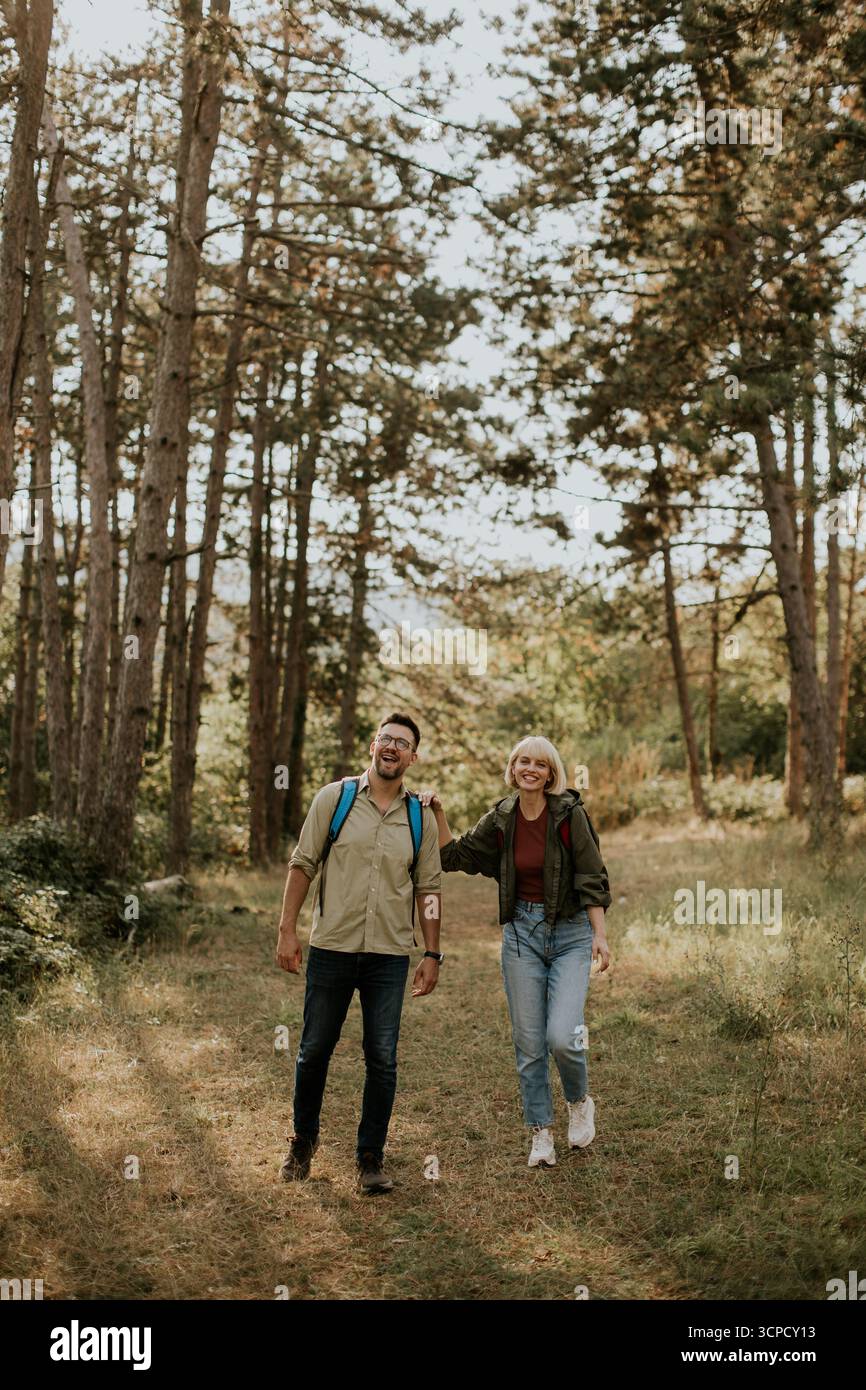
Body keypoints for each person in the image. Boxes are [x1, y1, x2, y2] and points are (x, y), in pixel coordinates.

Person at [420, 736, 611, 1169]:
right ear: (513, 768)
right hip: (521, 936)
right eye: (523, 761)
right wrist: (438, 811)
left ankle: (579, 1101)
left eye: (539, 764)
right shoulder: (502, 817)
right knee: (528, 1042)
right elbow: (457, 855)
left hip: (570, 934)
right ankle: (540, 1133)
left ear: (550, 773)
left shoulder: (569, 814)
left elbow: (591, 875)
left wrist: (599, 934)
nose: (530, 769)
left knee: (562, 1036)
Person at [275, 714, 442, 1194]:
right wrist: (288, 929)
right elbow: (303, 863)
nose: (392, 747)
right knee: (313, 1051)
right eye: (386, 738)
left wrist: (432, 952)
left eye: (402, 743)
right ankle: (302, 1144)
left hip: (388, 956)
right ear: (373, 745)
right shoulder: (336, 798)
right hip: (331, 948)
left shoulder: (419, 816)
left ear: (413, 757)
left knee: (382, 1058)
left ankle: (370, 1157)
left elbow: (429, 888)